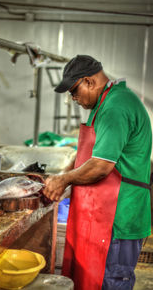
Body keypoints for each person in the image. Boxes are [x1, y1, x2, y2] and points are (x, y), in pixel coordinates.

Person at [42, 55, 152, 290]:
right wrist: (63, 172)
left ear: (89, 82)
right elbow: (90, 152)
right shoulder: (105, 102)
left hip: (119, 217)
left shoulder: (115, 107)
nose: (73, 99)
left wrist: (64, 180)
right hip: (105, 215)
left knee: (111, 281)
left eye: (74, 91)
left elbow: (102, 165)